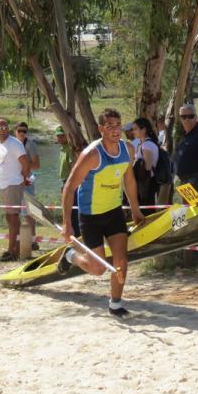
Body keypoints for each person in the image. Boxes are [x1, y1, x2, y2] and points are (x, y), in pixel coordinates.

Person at [59, 108, 144, 317]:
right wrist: (67, 223)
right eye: (109, 126)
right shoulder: (91, 155)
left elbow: (129, 180)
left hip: (114, 212)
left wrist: (135, 210)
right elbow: (69, 187)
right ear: (100, 129)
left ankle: (116, 304)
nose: (115, 130)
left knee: (121, 261)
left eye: (118, 125)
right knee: (98, 269)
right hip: (91, 216)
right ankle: (70, 255)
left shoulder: (128, 149)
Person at [0, 119, 30, 261]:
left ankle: (11, 251)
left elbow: (26, 164)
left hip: (14, 184)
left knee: (13, 217)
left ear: (8, 129)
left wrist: (22, 179)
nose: (2, 130)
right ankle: (15, 248)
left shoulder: (14, 143)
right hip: (4, 185)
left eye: (4, 127)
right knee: (9, 217)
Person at [174, 104, 198, 200]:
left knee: (196, 208)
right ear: (180, 118)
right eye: (183, 117)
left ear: (196, 117)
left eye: (190, 116)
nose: (187, 119)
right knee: (188, 208)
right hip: (184, 180)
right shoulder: (184, 134)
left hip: (196, 179)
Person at [15, 122, 40, 248]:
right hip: (14, 181)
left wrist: (25, 164)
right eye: (20, 130)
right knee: (15, 211)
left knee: (29, 211)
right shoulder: (12, 143)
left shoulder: (30, 145)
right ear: (15, 131)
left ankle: (33, 240)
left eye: (24, 131)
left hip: (28, 179)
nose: (22, 133)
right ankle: (20, 239)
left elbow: (37, 165)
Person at [131, 117, 160, 215]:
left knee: (146, 213)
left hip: (146, 184)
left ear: (143, 130)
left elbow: (147, 168)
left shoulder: (147, 145)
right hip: (146, 183)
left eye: (135, 129)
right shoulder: (144, 144)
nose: (133, 132)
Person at [55, 125, 80, 237]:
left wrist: (69, 186)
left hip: (71, 183)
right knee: (68, 210)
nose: (60, 138)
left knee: (73, 211)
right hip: (65, 181)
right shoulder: (62, 149)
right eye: (58, 136)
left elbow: (73, 167)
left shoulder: (69, 148)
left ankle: (76, 236)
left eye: (62, 136)